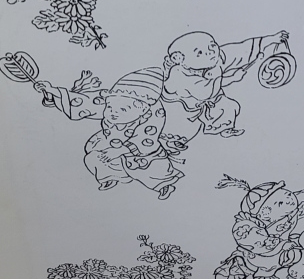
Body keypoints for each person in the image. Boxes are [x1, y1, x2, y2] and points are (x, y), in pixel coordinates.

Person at [36, 67, 185, 199]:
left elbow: (144, 140)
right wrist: (52, 92)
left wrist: (120, 150)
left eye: (123, 110)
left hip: (142, 152)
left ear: (142, 110)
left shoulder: (153, 115)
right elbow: (85, 103)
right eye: (110, 107)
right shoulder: (115, 98)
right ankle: (111, 176)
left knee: (152, 169)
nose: (113, 113)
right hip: (111, 141)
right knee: (94, 157)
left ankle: (164, 185)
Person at [162, 29, 289, 137]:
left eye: (212, 45)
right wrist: (231, 78)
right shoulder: (180, 75)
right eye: (199, 53)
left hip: (209, 98)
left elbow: (242, 50)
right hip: (183, 106)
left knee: (230, 107)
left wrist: (272, 39)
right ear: (180, 59)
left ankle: (224, 129)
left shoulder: (216, 58)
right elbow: (204, 93)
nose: (211, 52)